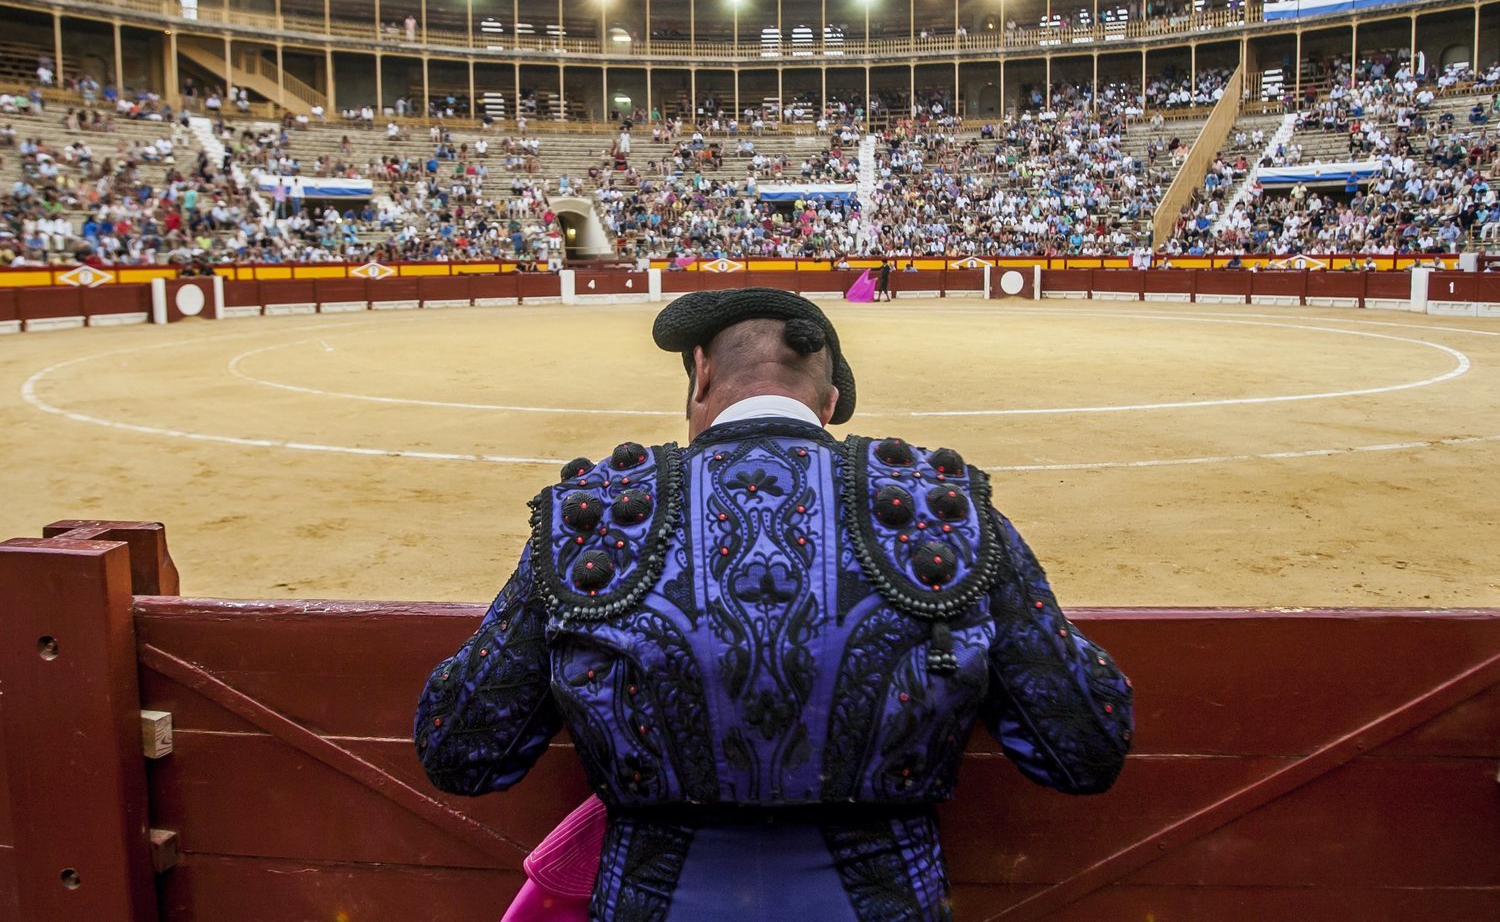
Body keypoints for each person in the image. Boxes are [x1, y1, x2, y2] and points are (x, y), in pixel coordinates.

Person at [414, 289, 1131, 920]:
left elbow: (462, 750)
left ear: (700, 372)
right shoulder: (937, 511)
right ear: (825, 406)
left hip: (654, 899)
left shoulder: (596, 514)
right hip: (882, 899)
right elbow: (1084, 746)